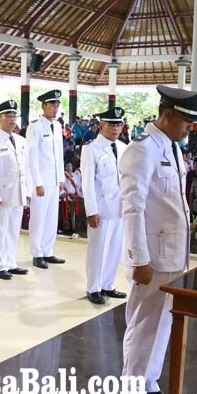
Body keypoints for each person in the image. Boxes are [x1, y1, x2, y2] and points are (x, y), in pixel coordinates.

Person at [120, 86, 197, 394]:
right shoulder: (141, 151)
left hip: (172, 256)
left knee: (163, 325)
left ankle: (148, 382)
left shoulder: (170, 147)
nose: (190, 128)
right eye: (187, 120)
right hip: (152, 259)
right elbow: (132, 209)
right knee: (144, 326)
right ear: (167, 114)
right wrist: (138, 259)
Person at [81, 107, 127, 305]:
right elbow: (87, 183)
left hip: (120, 208)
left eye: (118, 124)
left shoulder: (125, 148)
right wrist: (91, 211)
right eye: (111, 124)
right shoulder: (91, 148)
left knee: (115, 249)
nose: (115, 128)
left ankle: (108, 284)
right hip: (101, 208)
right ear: (101, 126)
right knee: (98, 249)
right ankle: (93, 287)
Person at [0, 100, 30, 281]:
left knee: (13, 229)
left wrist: (27, 190)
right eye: (8, 116)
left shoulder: (21, 140)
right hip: (1, 194)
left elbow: (25, 167)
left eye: (14, 116)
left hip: (17, 192)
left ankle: (10, 261)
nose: (12, 119)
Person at [26, 90, 66, 269]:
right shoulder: (35, 126)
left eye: (57, 105)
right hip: (41, 180)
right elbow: (32, 156)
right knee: (39, 217)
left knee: (51, 217)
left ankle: (48, 250)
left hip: (54, 179)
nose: (55, 108)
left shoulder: (57, 126)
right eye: (51, 105)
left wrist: (61, 176)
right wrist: (37, 182)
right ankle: (37, 253)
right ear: (43, 106)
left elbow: (59, 155)